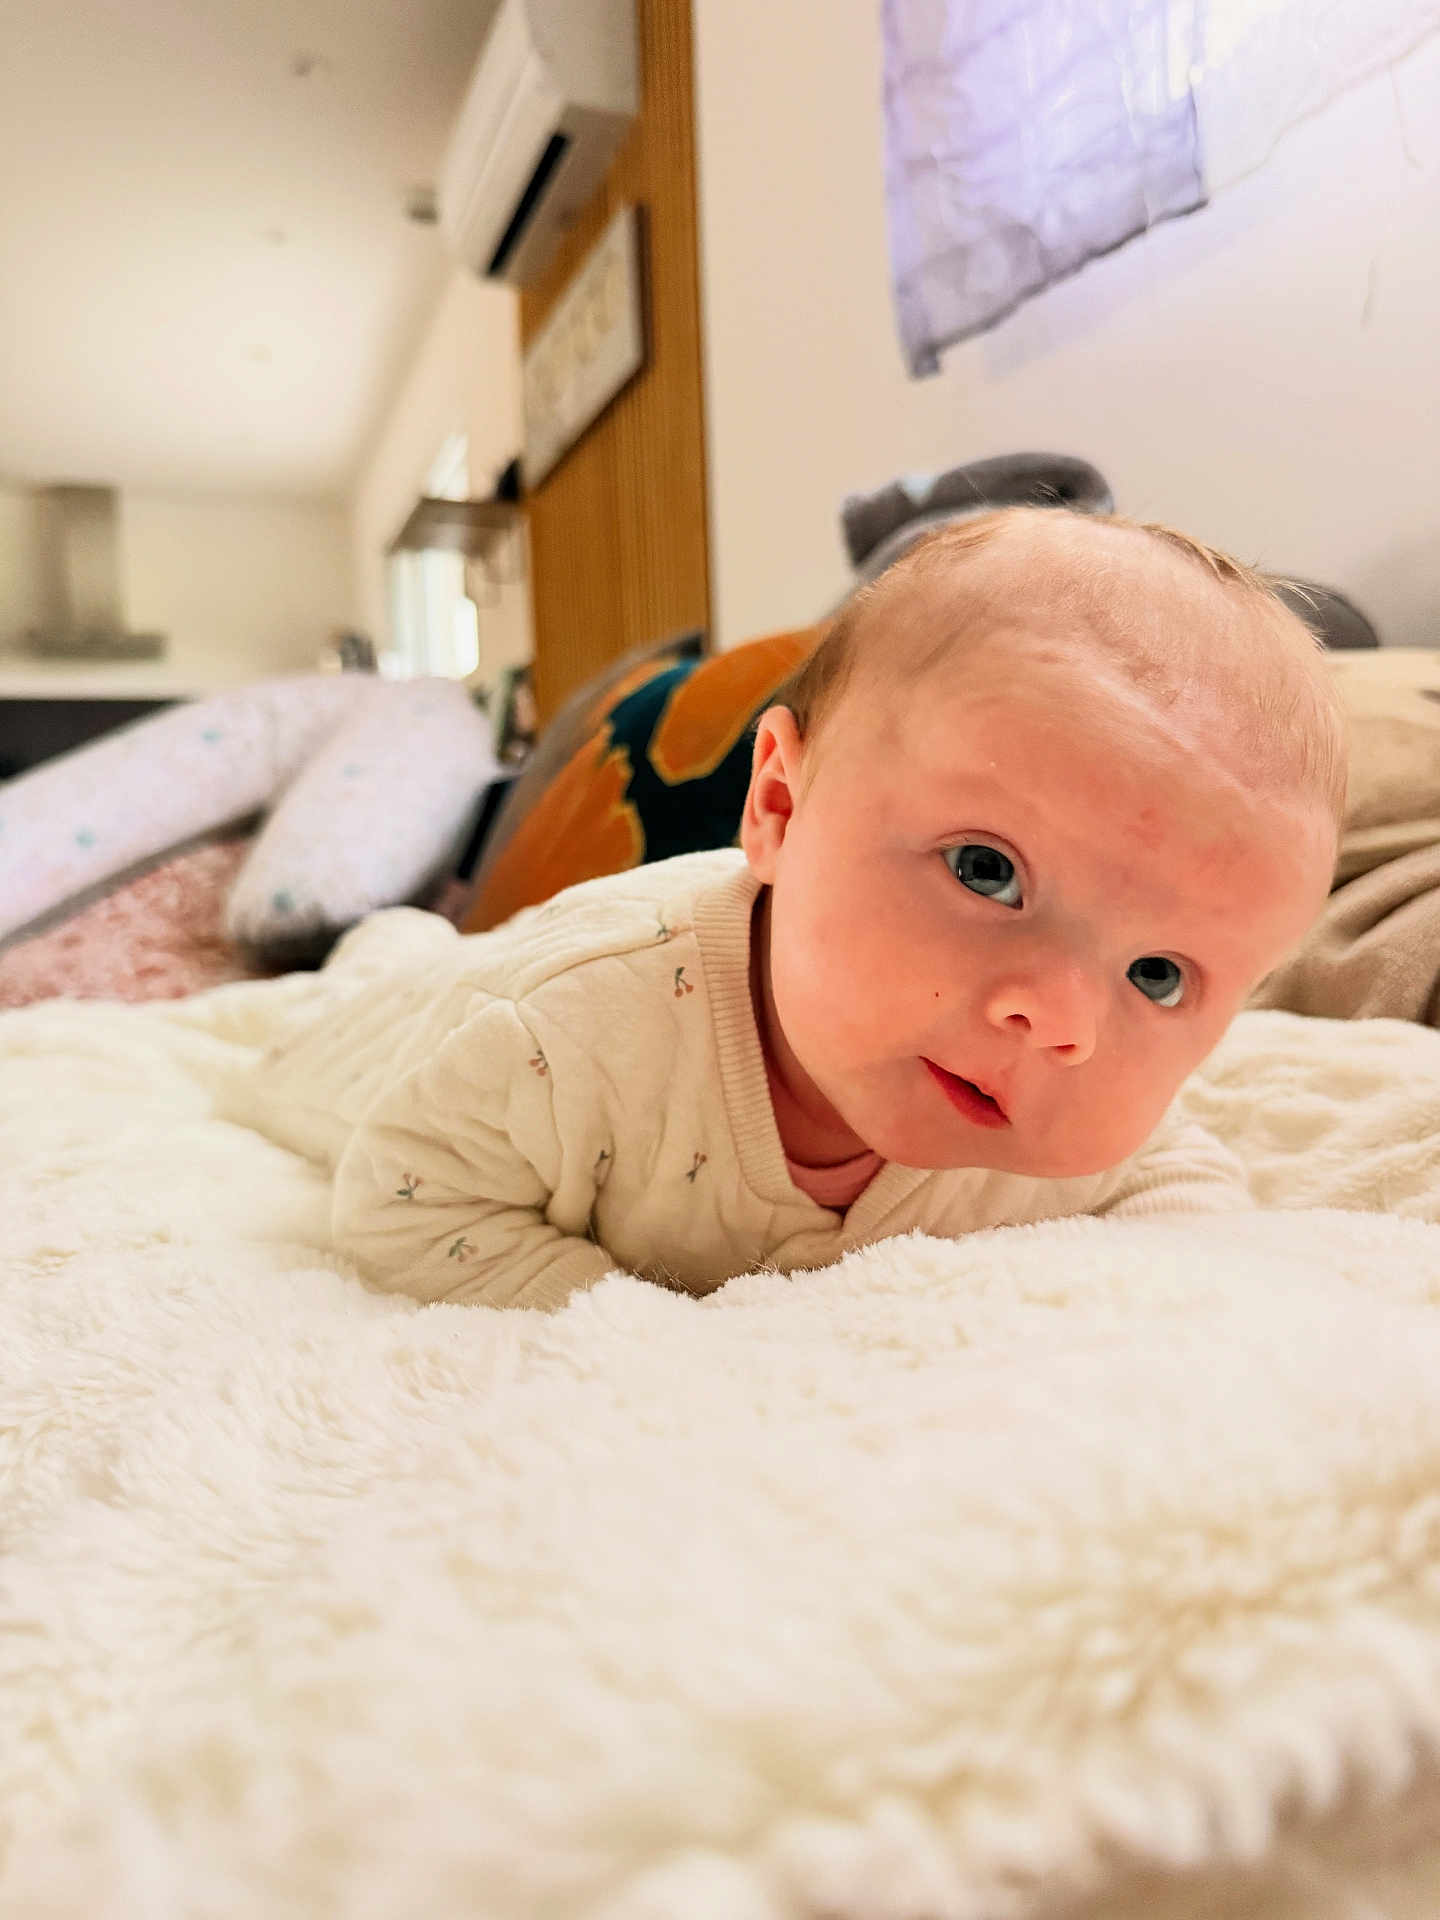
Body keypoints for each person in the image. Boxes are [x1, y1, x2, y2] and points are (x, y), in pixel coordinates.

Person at [267, 507, 1343, 1309]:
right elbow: (405, 1195)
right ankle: (385, 945)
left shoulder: (1071, 1095)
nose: (1059, 1018)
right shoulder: (572, 1033)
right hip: (418, 1020)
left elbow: (1179, 1197)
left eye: (1158, 976)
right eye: (984, 869)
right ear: (779, 802)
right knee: (381, 983)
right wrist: (649, 1343)